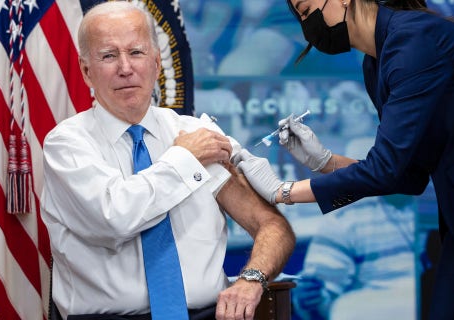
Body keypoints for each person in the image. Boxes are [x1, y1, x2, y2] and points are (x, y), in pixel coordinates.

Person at [232, 0, 454, 319]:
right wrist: (324, 161)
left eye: (307, 12)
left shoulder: (414, 41)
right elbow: (406, 175)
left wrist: (283, 191)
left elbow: (385, 168)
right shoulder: (378, 63)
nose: (306, 28)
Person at [40, 2, 295, 320]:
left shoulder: (197, 134)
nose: (125, 68)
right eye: (108, 55)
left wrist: (251, 278)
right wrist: (185, 158)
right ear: (86, 71)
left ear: (158, 63)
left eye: (136, 52)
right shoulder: (66, 143)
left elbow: (271, 225)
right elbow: (115, 217)